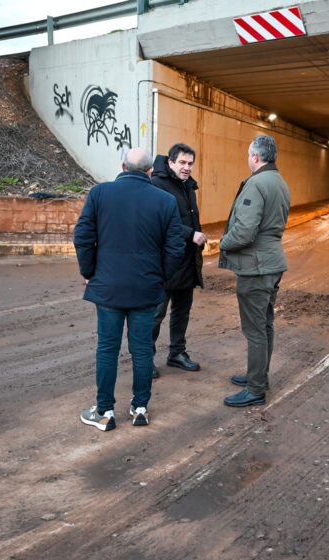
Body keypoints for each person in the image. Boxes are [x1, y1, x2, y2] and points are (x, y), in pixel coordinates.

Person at [74, 147, 185, 431]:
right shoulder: (165, 200)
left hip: (108, 288)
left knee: (107, 349)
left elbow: (83, 236)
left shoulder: (100, 194)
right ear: (150, 171)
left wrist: (89, 272)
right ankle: (140, 408)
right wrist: (160, 278)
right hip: (146, 290)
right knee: (142, 350)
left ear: (122, 165)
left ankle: (104, 412)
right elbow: (175, 247)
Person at [219, 135, 291, 407]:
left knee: (255, 330)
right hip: (272, 263)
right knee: (265, 324)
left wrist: (221, 244)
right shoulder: (280, 182)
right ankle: (259, 375)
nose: (248, 160)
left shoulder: (256, 183)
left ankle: (256, 388)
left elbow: (244, 232)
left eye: (249, 155)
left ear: (256, 157)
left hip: (256, 267)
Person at [150, 143, 208, 375]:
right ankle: (146, 358)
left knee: (182, 311)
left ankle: (176, 353)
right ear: (170, 162)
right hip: (164, 261)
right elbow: (159, 222)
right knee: (156, 314)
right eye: (182, 163)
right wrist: (190, 234)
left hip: (186, 260)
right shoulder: (156, 185)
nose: (187, 168)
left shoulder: (188, 187)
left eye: (190, 163)